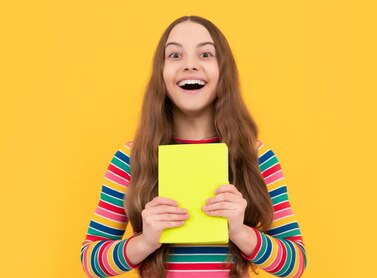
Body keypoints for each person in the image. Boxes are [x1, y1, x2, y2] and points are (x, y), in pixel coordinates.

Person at [80, 15, 307, 278]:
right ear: (160, 74)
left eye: (205, 54)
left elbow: (295, 263)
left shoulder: (257, 157)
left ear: (224, 71)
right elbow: (91, 261)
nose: (190, 65)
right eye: (175, 55)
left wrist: (240, 232)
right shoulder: (131, 159)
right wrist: (145, 242)